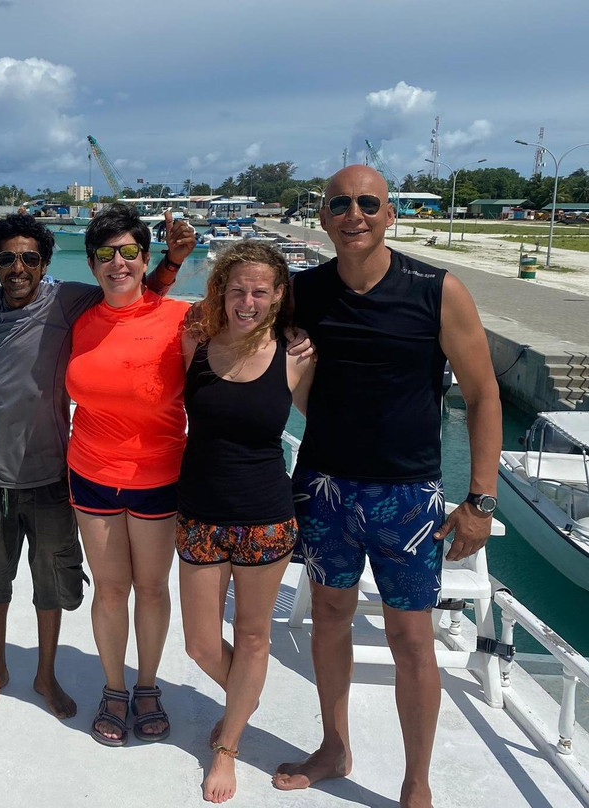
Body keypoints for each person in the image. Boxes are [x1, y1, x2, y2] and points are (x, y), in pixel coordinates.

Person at [272, 165, 502, 808]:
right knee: (328, 621)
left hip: (408, 495)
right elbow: (249, 339)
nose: (354, 214)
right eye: (340, 204)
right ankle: (335, 745)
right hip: (325, 486)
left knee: (411, 638)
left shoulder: (437, 291)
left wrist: (481, 499)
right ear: (322, 217)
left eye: (367, 203)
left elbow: (484, 395)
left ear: (389, 213)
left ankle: (416, 781)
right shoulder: (305, 292)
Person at [0, 212, 194, 718]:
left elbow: (129, 285)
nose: (18, 267)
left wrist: (170, 262)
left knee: (50, 582)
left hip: (56, 472)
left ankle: (46, 672)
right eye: (7, 259)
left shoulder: (68, 299)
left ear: (45, 264)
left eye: (30, 258)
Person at [176, 241, 315, 802]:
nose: (248, 301)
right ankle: (245, 702)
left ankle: (228, 746)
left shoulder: (297, 356)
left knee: (254, 636)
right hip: (200, 512)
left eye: (261, 291)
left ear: (279, 295)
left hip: (265, 517)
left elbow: (329, 419)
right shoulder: (196, 342)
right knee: (201, 643)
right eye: (238, 290)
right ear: (222, 291)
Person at [65, 203, 194, 746]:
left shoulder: (180, 317)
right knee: (111, 588)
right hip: (91, 470)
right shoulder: (79, 319)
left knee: (151, 587)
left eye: (128, 253)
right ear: (92, 264)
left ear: (146, 258)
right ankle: (114, 687)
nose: (117, 263)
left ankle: (148, 686)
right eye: (104, 254)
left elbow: (249, 322)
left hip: (160, 474)